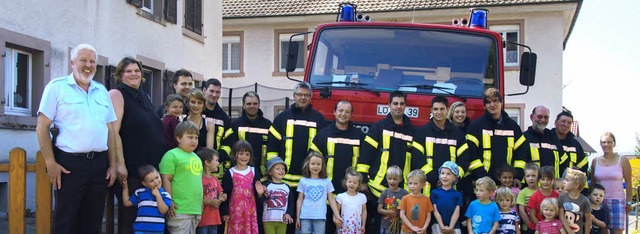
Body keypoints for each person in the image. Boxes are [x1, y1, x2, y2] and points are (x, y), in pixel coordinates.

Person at [35, 43, 118, 233]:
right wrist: (50, 162)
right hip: (69, 165)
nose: (88, 65)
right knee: (66, 221)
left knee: (93, 221)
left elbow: (111, 132)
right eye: (83, 60)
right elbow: (41, 128)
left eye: (92, 61)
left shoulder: (102, 92)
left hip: (98, 165)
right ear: (72, 62)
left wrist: (112, 165)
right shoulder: (57, 88)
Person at [109, 57, 167, 234]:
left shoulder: (143, 95)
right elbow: (113, 132)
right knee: (131, 219)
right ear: (120, 74)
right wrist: (120, 164)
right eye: (128, 71)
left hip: (151, 171)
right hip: (133, 171)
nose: (133, 74)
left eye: (137, 71)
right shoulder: (117, 94)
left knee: (149, 218)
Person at [357, 91, 416, 234]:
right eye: (395, 103)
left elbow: (416, 160)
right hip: (378, 190)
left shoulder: (413, 131)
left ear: (405, 106)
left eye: (402, 104)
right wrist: (363, 180)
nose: (398, 107)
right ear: (389, 105)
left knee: (397, 228)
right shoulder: (378, 127)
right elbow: (366, 155)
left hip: (403, 191)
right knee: (377, 227)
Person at [310, 100, 365, 233]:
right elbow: (312, 160)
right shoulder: (323, 134)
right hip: (327, 193)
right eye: (340, 111)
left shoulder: (359, 136)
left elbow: (365, 161)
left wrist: (364, 182)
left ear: (351, 115)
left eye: (347, 112)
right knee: (327, 229)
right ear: (334, 112)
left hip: (351, 194)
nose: (343, 114)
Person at [267, 81, 327, 189]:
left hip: (309, 179)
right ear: (294, 96)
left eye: (306, 95)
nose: (302, 98)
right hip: (283, 179)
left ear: (310, 97)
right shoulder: (282, 117)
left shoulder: (319, 119)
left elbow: (323, 148)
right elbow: (272, 145)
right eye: (299, 94)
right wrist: (273, 169)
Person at [465, 88, 529, 183]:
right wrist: (482, 177)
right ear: (485, 106)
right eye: (488, 102)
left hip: (507, 186)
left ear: (501, 102)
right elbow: (471, 155)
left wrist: (517, 176)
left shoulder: (513, 127)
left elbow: (521, 155)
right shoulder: (476, 126)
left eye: (495, 101)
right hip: (483, 186)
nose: (492, 105)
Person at [411, 96, 468, 195]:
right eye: (436, 109)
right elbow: (417, 159)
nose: (439, 112)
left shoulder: (457, 134)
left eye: (442, 109)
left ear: (447, 110)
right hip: (427, 189)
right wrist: (435, 178)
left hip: (451, 189)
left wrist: (452, 178)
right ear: (431, 111)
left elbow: (464, 160)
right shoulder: (421, 132)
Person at [159, 121, 204, 233]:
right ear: (179, 138)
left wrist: (201, 203)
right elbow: (166, 179)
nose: (194, 141)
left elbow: (198, 182)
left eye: (196, 137)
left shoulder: (197, 158)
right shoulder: (171, 155)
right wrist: (169, 201)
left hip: (195, 209)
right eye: (190, 137)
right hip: (179, 209)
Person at [221, 91, 273, 181]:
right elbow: (228, 147)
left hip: (262, 177)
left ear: (259, 105)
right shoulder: (235, 124)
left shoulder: (267, 125)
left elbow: (272, 148)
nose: (252, 106)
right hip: (239, 176)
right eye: (248, 104)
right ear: (243, 105)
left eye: (255, 103)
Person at [589, 132, 632, 234]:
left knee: (617, 232)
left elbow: (629, 183)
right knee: (601, 230)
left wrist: (629, 202)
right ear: (600, 144)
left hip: (617, 201)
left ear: (614, 144)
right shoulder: (595, 161)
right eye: (603, 142)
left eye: (609, 142)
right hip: (598, 201)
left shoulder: (622, 160)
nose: (606, 145)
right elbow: (592, 183)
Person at [220, 140, 265, 233]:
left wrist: (260, 194)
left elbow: (258, 194)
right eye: (241, 154)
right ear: (234, 155)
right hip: (234, 213)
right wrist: (225, 212)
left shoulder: (254, 171)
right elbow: (225, 194)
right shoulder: (229, 173)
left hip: (250, 211)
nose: (244, 157)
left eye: (247, 154)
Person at [296, 151, 342, 234]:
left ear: (322, 165)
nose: (315, 166)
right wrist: (297, 217)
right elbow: (300, 200)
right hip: (305, 216)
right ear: (308, 164)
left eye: (318, 164)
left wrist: (337, 215)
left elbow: (331, 199)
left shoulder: (327, 181)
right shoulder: (303, 181)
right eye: (313, 164)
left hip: (320, 216)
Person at [121, 164, 172, 233]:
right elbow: (126, 203)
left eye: (157, 177)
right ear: (144, 183)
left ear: (159, 174)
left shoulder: (165, 195)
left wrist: (158, 196)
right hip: (140, 231)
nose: (156, 182)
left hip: (157, 232)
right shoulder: (140, 193)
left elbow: (163, 210)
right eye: (151, 181)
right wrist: (125, 188)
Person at [523, 106, 567, 178]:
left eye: (546, 117)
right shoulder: (524, 138)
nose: (543, 120)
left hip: (552, 186)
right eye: (539, 117)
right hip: (531, 187)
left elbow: (563, 163)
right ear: (531, 117)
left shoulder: (553, 138)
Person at [196, 148, 227, 234]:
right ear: (207, 163)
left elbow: (220, 193)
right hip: (202, 220)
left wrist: (222, 197)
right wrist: (210, 202)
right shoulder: (199, 179)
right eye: (216, 160)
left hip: (214, 219)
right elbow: (196, 199)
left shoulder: (215, 179)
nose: (218, 163)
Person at [262, 157, 295, 234]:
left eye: (283, 169)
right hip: (268, 219)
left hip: (282, 220)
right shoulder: (266, 186)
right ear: (270, 172)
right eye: (278, 168)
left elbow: (291, 203)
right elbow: (260, 201)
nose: (281, 170)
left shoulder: (287, 186)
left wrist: (289, 213)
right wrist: (262, 194)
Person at [431, 161, 463, 234]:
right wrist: (441, 226)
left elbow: (457, 212)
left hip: (454, 227)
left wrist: (451, 227)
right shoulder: (434, 193)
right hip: (437, 226)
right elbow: (435, 210)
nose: (444, 176)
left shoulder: (457, 194)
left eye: (448, 174)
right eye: (442, 173)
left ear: (455, 177)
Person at [399, 170, 433, 234]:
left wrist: (424, 228)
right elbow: (402, 214)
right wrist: (412, 227)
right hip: (406, 231)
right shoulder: (405, 198)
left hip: (421, 231)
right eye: (410, 183)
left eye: (415, 183)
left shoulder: (426, 199)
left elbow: (428, 216)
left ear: (423, 185)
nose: (412, 186)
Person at [201, 79, 231, 152]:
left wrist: (217, 157)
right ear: (204, 90)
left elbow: (228, 142)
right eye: (211, 91)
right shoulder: (196, 111)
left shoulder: (224, 117)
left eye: (217, 92)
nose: (214, 95)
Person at [558, 168, 591, 234]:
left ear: (576, 185)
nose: (564, 182)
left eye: (567, 180)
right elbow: (561, 215)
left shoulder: (584, 200)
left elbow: (588, 220)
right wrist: (569, 230)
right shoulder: (562, 197)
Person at [377, 165, 409, 234]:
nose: (392, 181)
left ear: (400, 179)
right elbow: (379, 209)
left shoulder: (405, 193)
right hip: (385, 225)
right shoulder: (385, 192)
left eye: (395, 179)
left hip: (400, 226)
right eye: (390, 178)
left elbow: (408, 209)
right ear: (386, 178)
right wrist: (389, 212)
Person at [527, 166, 559, 232]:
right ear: (539, 180)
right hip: (536, 228)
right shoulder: (534, 196)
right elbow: (532, 216)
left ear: (553, 180)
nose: (545, 182)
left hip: (553, 229)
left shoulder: (557, 196)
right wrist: (543, 227)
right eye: (542, 179)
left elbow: (559, 214)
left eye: (548, 179)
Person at [335, 167, 367, 234]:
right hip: (343, 228)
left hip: (357, 228)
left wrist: (363, 225)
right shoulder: (340, 196)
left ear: (359, 184)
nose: (352, 184)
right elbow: (336, 212)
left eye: (355, 183)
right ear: (345, 182)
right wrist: (335, 220)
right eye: (350, 182)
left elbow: (364, 211)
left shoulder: (362, 197)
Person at [517, 163, 539, 234]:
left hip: (543, 227)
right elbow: (521, 211)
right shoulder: (522, 192)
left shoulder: (542, 191)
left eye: (533, 176)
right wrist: (529, 225)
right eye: (528, 176)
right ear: (524, 178)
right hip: (527, 227)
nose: (531, 178)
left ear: (539, 177)